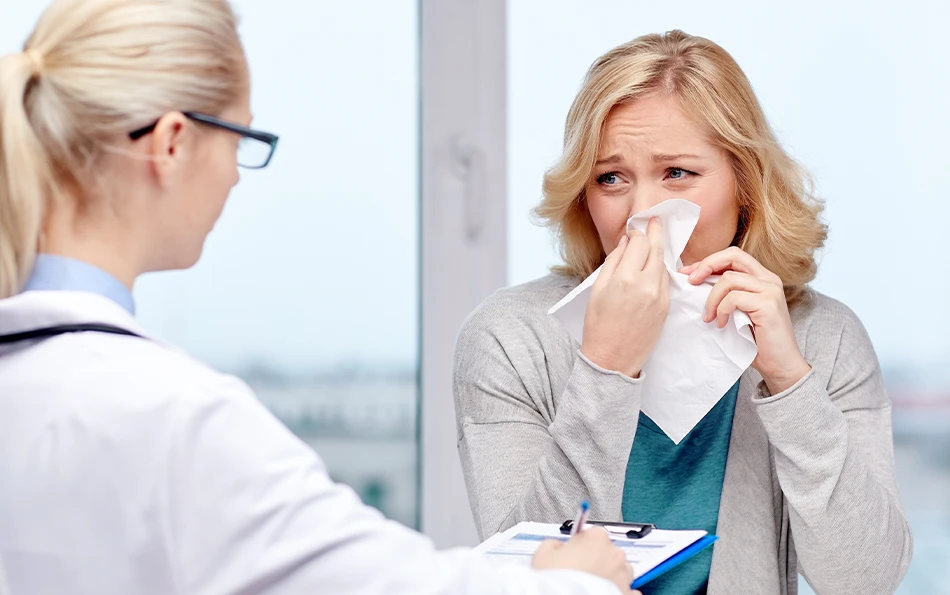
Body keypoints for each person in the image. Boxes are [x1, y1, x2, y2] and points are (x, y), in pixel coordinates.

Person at [0, 1, 639, 594]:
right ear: (171, 143)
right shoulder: (173, 419)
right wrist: (570, 580)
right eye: (241, 140)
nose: (234, 177)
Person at [453, 30, 913, 595]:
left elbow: (866, 580)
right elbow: (526, 579)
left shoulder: (824, 337)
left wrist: (791, 383)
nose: (643, 213)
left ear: (746, 184)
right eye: (610, 178)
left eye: (677, 173)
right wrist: (606, 367)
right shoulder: (510, 338)